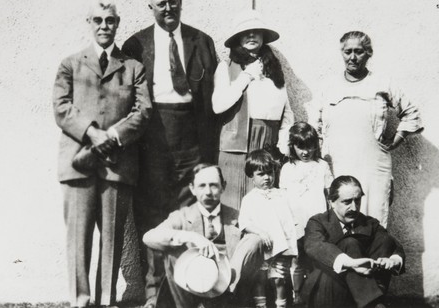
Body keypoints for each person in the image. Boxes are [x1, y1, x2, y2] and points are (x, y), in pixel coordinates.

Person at [121, 0, 218, 307]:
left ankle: (193, 289)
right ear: (150, 7)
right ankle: (153, 294)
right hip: (152, 143)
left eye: (173, 2)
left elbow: (210, 105)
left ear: (181, 3)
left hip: (191, 141)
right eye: (161, 3)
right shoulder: (135, 45)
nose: (168, 9)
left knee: (193, 215)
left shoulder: (201, 42)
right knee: (151, 217)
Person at [52, 0, 151, 307]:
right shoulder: (71, 64)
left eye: (110, 21)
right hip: (78, 164)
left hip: (117, 164)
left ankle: (106, 302)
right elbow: (61, 107)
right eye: (98, 20)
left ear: (118, 24)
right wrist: (92, 132)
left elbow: (143, 111)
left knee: (112, 241)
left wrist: (113, 136)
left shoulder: (133, 67)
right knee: (78, 241)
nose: (104, 26)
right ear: (89, 23)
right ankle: (80, 302)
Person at [310, 31, 423, 227]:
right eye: (347, 52)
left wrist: (396, 140)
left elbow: (411, 113)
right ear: (341, 53)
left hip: (373, 165)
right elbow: (313, 124)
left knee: (374, 217)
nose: (352, 57)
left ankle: (375, 257)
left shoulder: (382, 83)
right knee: (338, 219)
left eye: (359, 52)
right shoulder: (328, 86)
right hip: (337, 162)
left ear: (368, 53)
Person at [143, 163, 265, 308]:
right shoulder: (182, 216)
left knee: (254, 239)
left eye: (213, 185)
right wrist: (192, 237)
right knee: (173, 248)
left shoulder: (238, 217)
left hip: (229, 290)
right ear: (192, 189)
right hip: (192, 290)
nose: (208, 192)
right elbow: (149, 237)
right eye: (202, 186)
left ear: (223, 187)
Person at [212, 9, 294, 211]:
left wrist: (283, 141)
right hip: (235, 148)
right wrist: (246, 76)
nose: (251, 35)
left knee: (264, 208)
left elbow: (287, 112)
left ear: (263, 36)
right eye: (245, 31)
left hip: (267, 143)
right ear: (237, 37)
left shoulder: (273, 68)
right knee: (234, 209)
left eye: (256, 31)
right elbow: (218, 106)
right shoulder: (226, 67)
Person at [303, 175, 405, 308]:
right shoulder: (318, 222)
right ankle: (374, 303)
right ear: (331, 202)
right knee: (349, 243)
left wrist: (393, 260)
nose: (354, 208)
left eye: (357, 201)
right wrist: (351, 263)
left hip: (357, 295)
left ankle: (370, 300)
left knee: (384, 240)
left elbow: (392, 244)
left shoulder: (368, 223)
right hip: (327, 290)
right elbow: (315, 245)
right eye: (347, 202)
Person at [279, 121, 334, 304]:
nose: (304, 152)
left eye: (309, 147)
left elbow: (330, 193)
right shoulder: (287, 168)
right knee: (297, 260)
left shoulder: (322, 166)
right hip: (296, 221)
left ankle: (314, 294)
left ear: (315, 146)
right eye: (300, 147)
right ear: (292, 146)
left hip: (317, 221)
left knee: (315, 259)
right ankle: (296, 295)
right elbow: (283, 196)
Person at [239, 149, 299, 308]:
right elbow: (244, 223)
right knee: (260, 278)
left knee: (279, 279)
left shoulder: (281, 195)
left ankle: (281, 306)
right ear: (251, 176)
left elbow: (289, 219)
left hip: (280, 246)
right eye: (261, 174)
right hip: (262, 247)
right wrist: (260, 232)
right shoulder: (249, 199)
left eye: (270, 173)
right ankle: (261, 305)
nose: (267, 177)